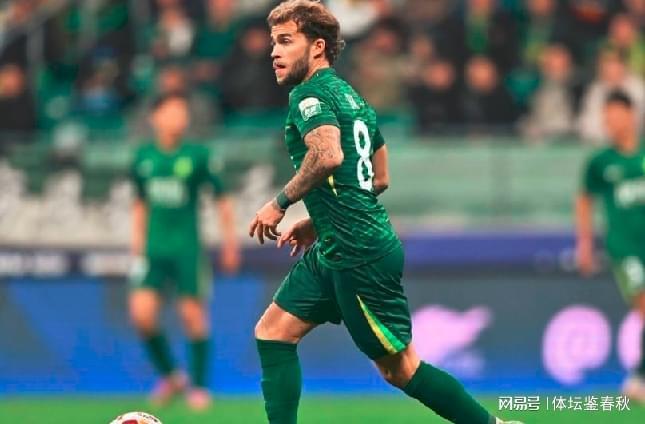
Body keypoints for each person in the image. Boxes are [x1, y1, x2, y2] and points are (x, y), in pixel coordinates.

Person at [249, 1, 522, 423]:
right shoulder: (351, 96)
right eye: (273, 43)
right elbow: (379, 175)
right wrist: (319, 220)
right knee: (273, 332)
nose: (274, 52)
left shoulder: (308, 95)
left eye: (286, 41)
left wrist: (279, 203)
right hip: (337, 242)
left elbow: (328, 155)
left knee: (401, 369)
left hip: (357, 250)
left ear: (317, 47)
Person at [129, 92, 240, 410]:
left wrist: (229, 243)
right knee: (141, 315)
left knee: (192, 315)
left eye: (182, 111)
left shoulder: (197, 155)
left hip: (187, 249)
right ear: (155, 117)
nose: (179, 117)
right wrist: (137, 243)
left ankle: (199, 387)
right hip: (153, 250)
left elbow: (222, 199)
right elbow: (140, 203)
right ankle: (171, 375)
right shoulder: (143, 157)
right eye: (172, 111)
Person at [576, 90, 645, 403]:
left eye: (616, 115)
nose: (612, 123)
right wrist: (585, 243)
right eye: (607, 118)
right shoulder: (601, 162)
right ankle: (639, 377)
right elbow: (584, 199)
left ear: (631, 115)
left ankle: (638, 376)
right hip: (625, 246)